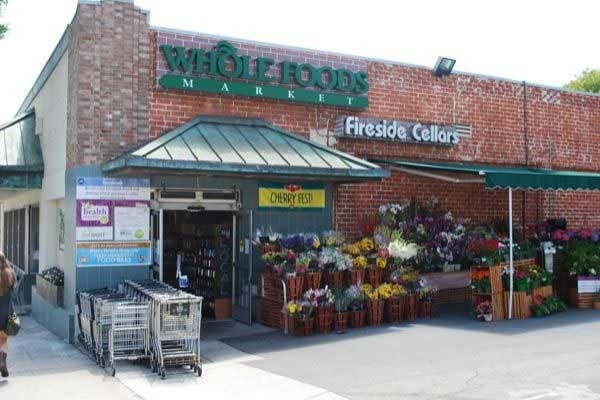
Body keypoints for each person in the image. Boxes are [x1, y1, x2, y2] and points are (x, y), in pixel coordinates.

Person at [0, 251, 16, 378]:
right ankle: (3, 361)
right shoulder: (9, 273)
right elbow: (13, 289)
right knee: (4, 339)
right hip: (6, 312)